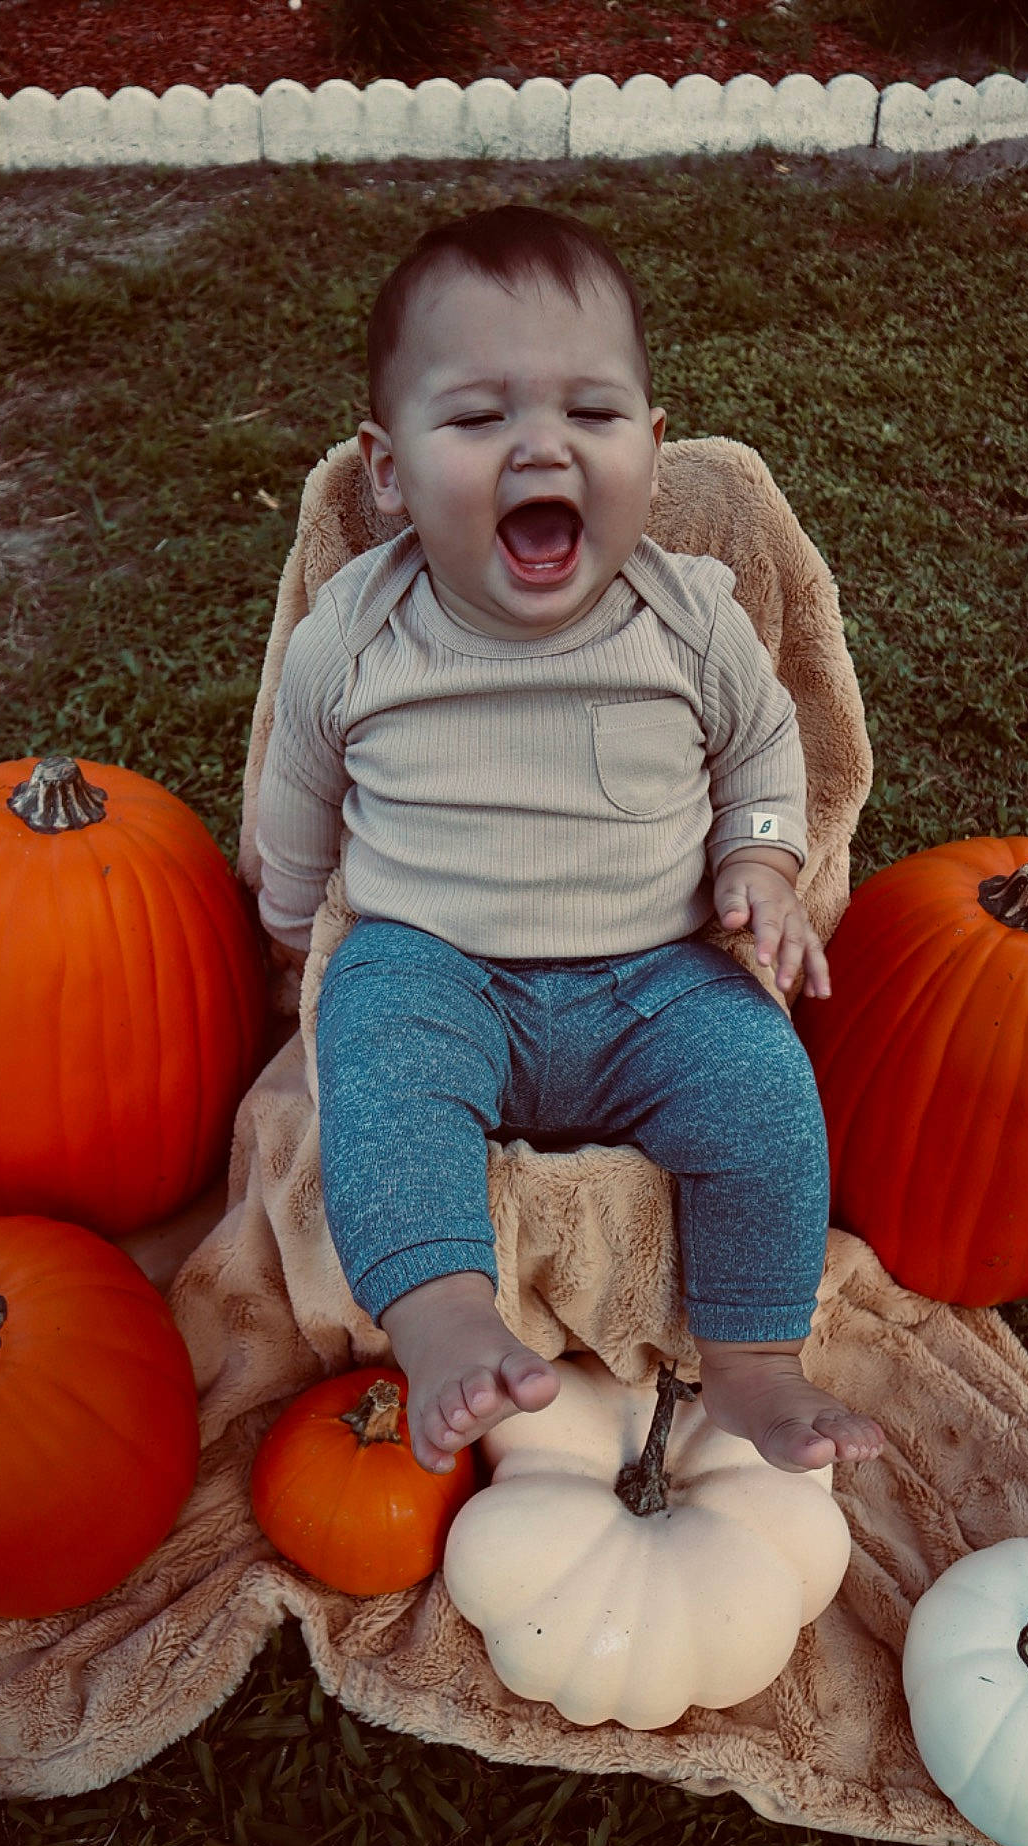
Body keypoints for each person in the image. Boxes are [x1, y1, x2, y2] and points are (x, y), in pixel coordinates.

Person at [255, 203, 886, 1479]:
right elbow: (298, 786)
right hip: (437, 967)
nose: (540, 445)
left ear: (652, 451)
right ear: (388, 471)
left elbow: (771, 754)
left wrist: (760, 862)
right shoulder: (354, 638)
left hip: (659, 975)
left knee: (764, 1083)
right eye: (479, 418)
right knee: (370, 1058)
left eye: (590, 415)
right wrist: (291, 916)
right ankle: (443, 1316)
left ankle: (757, 1361)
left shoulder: (690, 621)